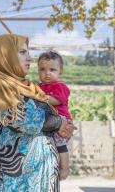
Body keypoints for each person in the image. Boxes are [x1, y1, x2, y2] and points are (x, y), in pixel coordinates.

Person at [0, 34, 75, 192]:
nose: (29, 58)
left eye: (28, 53)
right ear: (5, 55)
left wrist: (62, 123)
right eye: (22, 52)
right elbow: (26, 120)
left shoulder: (27, 87)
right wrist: (59, 123)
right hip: (14, 181)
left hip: (38, 178)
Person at [37, 51, 72, 180]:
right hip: (47, 121)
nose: (47, 73)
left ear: (60, 72)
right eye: (42, 69)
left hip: (61, 121)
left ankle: (65, 168)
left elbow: (57, 100)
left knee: (60, 144)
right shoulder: (37, 87)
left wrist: (40, 97)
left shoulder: (60, 87)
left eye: (52, 69)